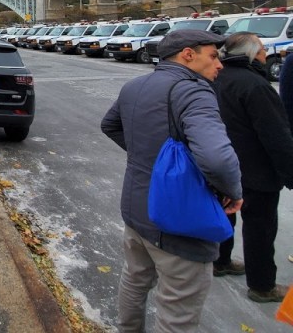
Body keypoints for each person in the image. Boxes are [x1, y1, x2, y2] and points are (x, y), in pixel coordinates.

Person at [101, 29, 242, 332]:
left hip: (136, 212)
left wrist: (144, 155)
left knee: (135, 280)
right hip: (178, 219)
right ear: (188, 54)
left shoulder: (135, 86)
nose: (219, 65)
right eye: (213, 56)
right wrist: (233, 190)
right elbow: (217, 158)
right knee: (177, 309)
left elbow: (110, 125)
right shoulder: (193, 91)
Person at [213, 32, 293, 303]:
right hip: (256, 172)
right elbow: (276, 136)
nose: (264, 53)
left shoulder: (217, 78)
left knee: (224, 216)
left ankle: (220, 260)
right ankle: (262, 286)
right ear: (251, 54)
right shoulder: (255, 85)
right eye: (262, 49)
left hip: (224, 166)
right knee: (260, 228)